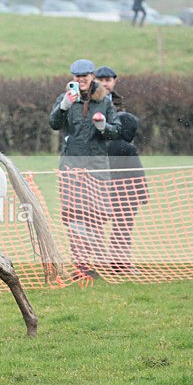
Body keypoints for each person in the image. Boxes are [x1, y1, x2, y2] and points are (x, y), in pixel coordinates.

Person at [49, 59, 121, 280]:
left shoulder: (105, 102)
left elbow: (116, 131)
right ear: (73, 78)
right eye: (76, 76)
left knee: (96, 218)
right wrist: (64, 107)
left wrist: (103, 127)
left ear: (92, 77)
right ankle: (81, 265)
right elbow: (54, 124)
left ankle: (96, 263)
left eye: (85, 76)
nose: (80, 80)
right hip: (71, 168)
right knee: (75, 218)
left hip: (97, 169)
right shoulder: (65, 98)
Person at [106, 112, 149, 275]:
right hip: (127, 196)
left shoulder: (107, 146)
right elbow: (137, 172)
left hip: (110, 193)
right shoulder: (128, 149)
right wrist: (143, 195)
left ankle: (113, 262)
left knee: (116, 229)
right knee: (123, 230)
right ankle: (122, 264)